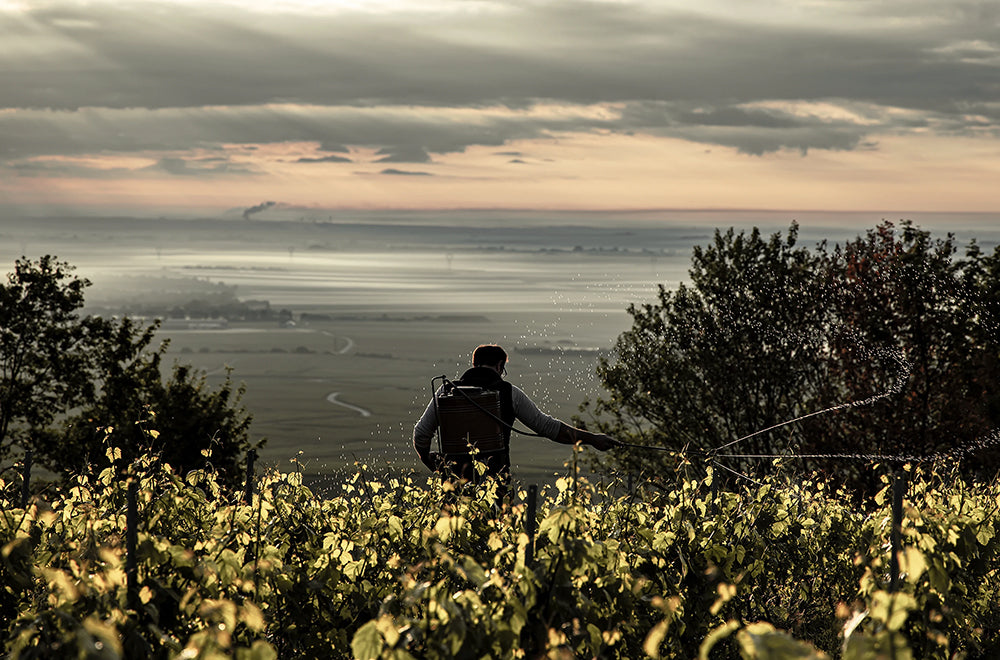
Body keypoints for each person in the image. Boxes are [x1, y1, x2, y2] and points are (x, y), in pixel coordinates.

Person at [412, 344, 618, 500]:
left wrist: (433, 463)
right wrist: (593, 439)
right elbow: (548, 427)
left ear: (474, 364)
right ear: (500, 366)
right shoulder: (510, 393)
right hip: (496, 490)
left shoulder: (446, 391)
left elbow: (421, 434)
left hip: (454, 490)